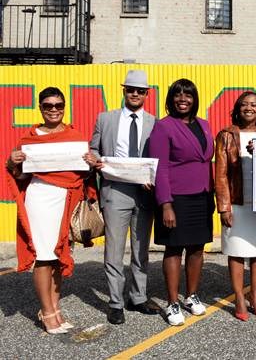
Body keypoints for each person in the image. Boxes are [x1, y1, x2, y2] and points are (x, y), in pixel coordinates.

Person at [7, 87, 98, 334]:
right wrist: (11, 162)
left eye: (58, 105)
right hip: (40, 199)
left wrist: (92, 164)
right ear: (41, 108)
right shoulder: (29, 139)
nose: (54, 110)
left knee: (58, 257)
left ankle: (55, 309)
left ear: (64, 107)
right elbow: (20, 175)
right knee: (45, 256)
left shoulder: (75, 135)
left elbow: (83, 174)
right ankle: (47, 312)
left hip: (67, 201)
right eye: (48, 106)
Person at [90, 69, 158, 325]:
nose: (135, 94)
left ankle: (138, 297)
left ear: (146, 94)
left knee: (141, 250)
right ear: (124, 91)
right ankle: (116, 302)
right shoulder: (105, 119)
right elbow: (94, 149)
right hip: (115, 192)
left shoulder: (154, 122)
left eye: (140, 91)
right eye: (131, 89)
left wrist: (155, 179)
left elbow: (159, 157)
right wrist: (95, 161)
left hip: (144, 193)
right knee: (114, 251)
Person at [149, 78, 215, 326]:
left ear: (195, 99)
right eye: (178, 95)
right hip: (176, 199)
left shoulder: (204, 125)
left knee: (197, 248)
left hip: (202, 195)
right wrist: (165, 203)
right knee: (174, 249)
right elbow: (160, 168)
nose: (183, 99)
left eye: (188, 95)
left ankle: (191, 296)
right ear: (171, 99)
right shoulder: (163, 127)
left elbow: (206, 160)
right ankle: (172, 302)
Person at [215, 91, 256, 322]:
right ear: (238, 108)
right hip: (236, 204)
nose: (249, 108)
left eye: (254, 105)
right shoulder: (226, 135)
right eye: (244, 104)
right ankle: (239, 297)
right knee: (237, 252)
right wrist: (224, 207)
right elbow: (220, 174)